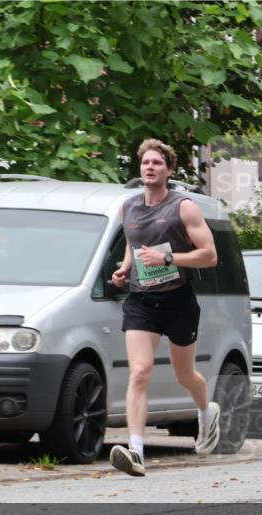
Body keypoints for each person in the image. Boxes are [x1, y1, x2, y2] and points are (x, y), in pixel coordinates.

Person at [108, 138, 222, 476]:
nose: (150, 167)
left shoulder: (183, 207)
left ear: (169, 170)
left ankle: (206, 413)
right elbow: (133, 244)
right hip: (141, 300)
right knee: (140, 371)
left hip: (178, 300)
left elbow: (210, 256)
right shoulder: (127, 207)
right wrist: (125, 268)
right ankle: (136, 451)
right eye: (145, 162)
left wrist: (167, 257)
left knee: (185, 374)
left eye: (157, 163)